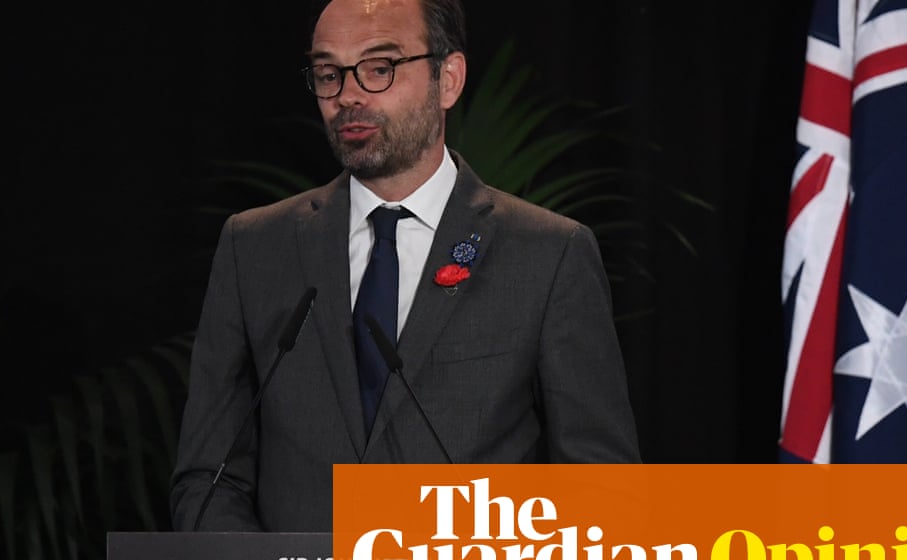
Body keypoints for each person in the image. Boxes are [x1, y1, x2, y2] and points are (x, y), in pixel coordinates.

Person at [170, 0, 641, 533]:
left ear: (449, 79)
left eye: (379, 68)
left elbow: (602, 490)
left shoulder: (548, 254)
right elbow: (208, 478)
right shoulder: (254, 247)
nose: (348, 96)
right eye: (328, 73)